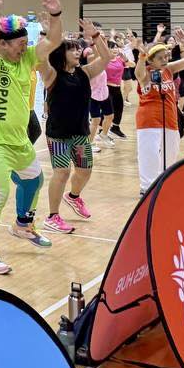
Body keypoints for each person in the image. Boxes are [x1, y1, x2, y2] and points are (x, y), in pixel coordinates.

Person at [0, 0, 63, 275]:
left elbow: (54, 40)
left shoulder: (28, 59)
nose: (25, 47)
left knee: (34, 180)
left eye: (26, 42)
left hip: (19, 141)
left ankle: (23, 225)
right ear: (4, 44)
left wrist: (56, 13)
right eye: (20, 43)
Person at [39, 21, 110, 233]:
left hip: (80, 132)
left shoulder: (84, 73)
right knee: (62, 172)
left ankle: (73, 196)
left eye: (79, 48)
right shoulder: (52, 75)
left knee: (85, 171)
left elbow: (106, 58)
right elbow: (40, 58)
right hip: (58, 134)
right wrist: (50, 34)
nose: (78, 51)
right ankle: (52, 216)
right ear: (61, 53)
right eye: (72, 49)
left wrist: (95, 36)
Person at [135, 30, 184, 196]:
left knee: (170, 155)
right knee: (149, 154)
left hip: (169, 117)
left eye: (166, 57)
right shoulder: (145, 72)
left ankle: (164, 183)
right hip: (149, 119)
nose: (165, 60)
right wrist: (141, 57)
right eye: (160, 58)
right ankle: (147, 188)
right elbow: (138, 74)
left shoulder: (169, 69)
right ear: (151, 60)